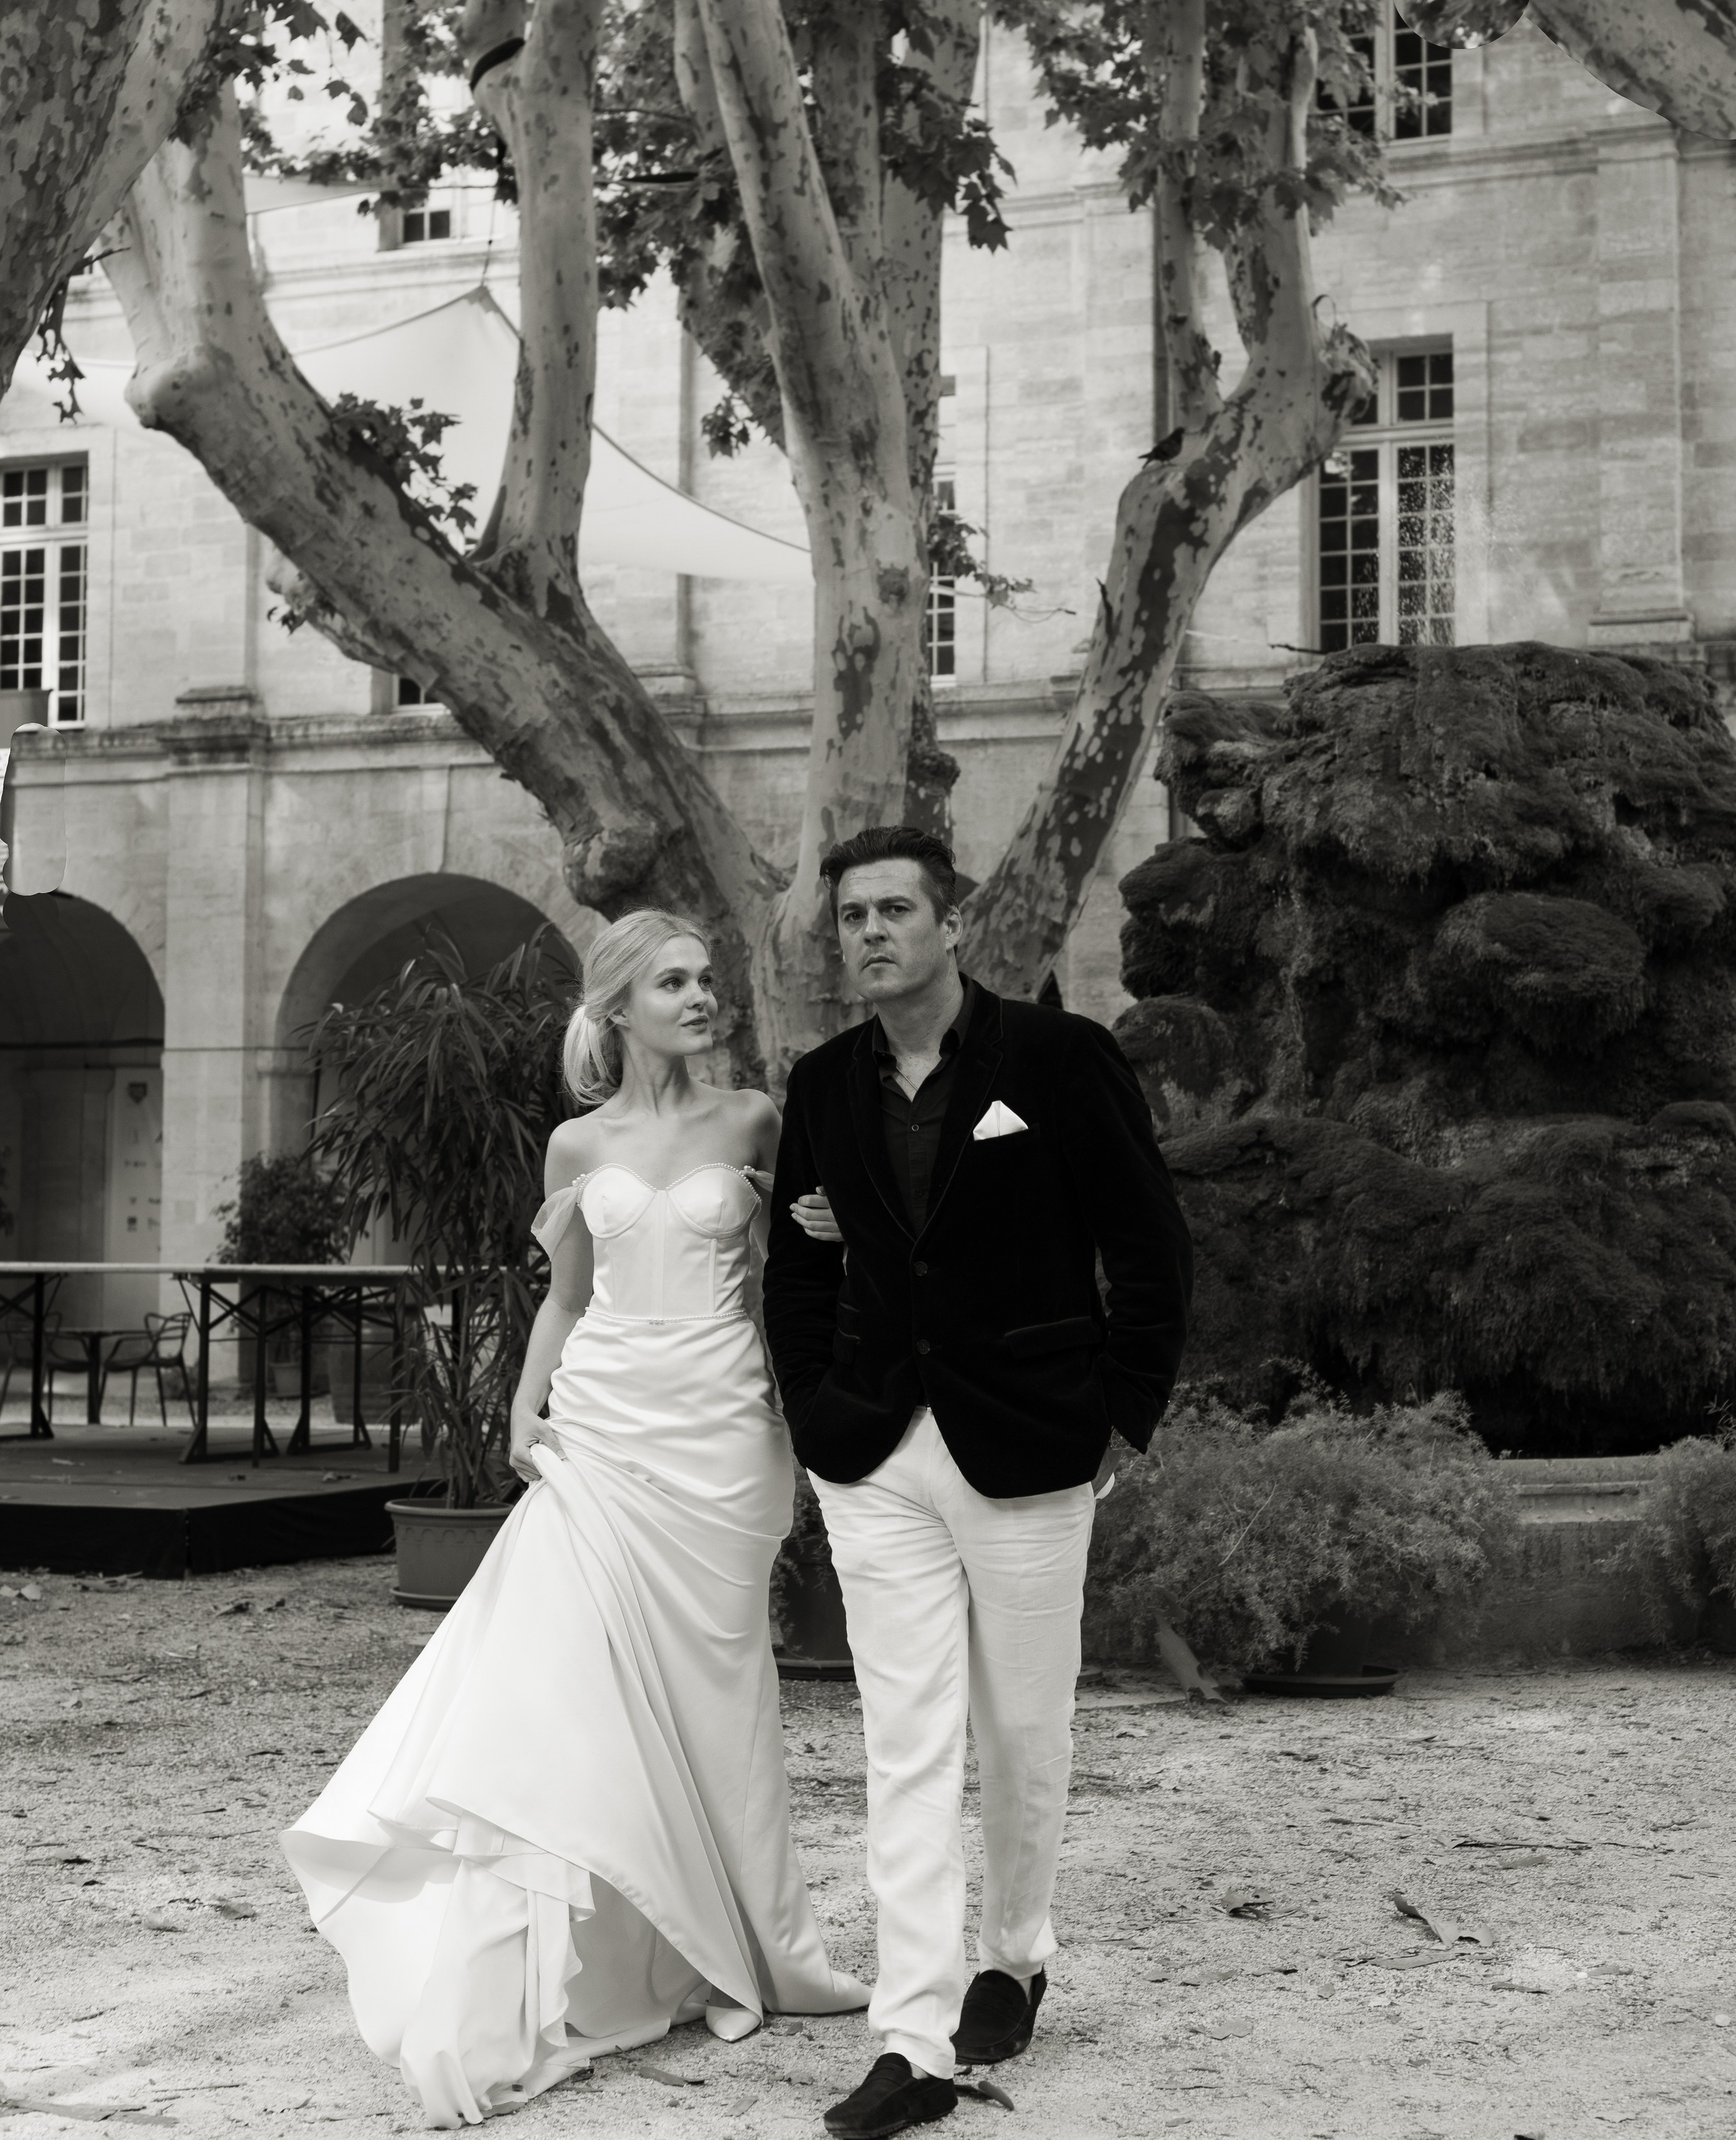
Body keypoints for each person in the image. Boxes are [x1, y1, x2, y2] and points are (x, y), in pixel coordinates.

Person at [282, 909, 867, 2129]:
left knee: (722, 1701)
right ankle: (582, 1948)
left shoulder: (756, 1121)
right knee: (568, 1688)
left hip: (725, 1435)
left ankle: (770, 1950)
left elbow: (796, 1282)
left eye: (705, 979)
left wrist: (832, 1269)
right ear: (618, 1007)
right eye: (673, 982)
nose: (700, 998)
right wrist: (521, 1402)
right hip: (601, 1429)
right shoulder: (574, 1143)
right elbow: (567, 1296)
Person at [764, 827, 1194, 2140]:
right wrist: (816, 1412)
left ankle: (1013, 1951)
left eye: (896, 910)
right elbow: (797, 1271)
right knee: (904, 1747)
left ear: (950, 925)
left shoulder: (1057, 1058)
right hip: (875, 1452)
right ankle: (912, 2038)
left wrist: (1120, 1417)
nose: (872, 934)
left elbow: (1148, 1243)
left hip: (1031, 1440)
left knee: (1022, 1730)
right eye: (853, 917)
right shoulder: (821, 1085)